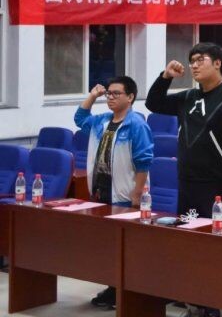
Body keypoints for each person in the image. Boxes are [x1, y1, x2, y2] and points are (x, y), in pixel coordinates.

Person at [146, 43, 222, 221]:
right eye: (192, 61)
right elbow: (153, 103)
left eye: (200, 60)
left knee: (218, 236)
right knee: (188, 235)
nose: (194, 65)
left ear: (217, 63)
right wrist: (166, 77)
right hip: (187, 183)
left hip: (220, 185)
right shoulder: (188, 97)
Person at [77, 76, 153, 312]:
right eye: (108, 93)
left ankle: (126, 291)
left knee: (126, 247)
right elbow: (80, 119)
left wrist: (137, 194)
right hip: (102, 191)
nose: (110, 97)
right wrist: (93, 95)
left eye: (116, 93)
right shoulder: (101, 121)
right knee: (109, 245)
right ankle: (113, 287)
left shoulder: (136, 125)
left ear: (130, 97)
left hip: (125, 194)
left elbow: (143, 161)